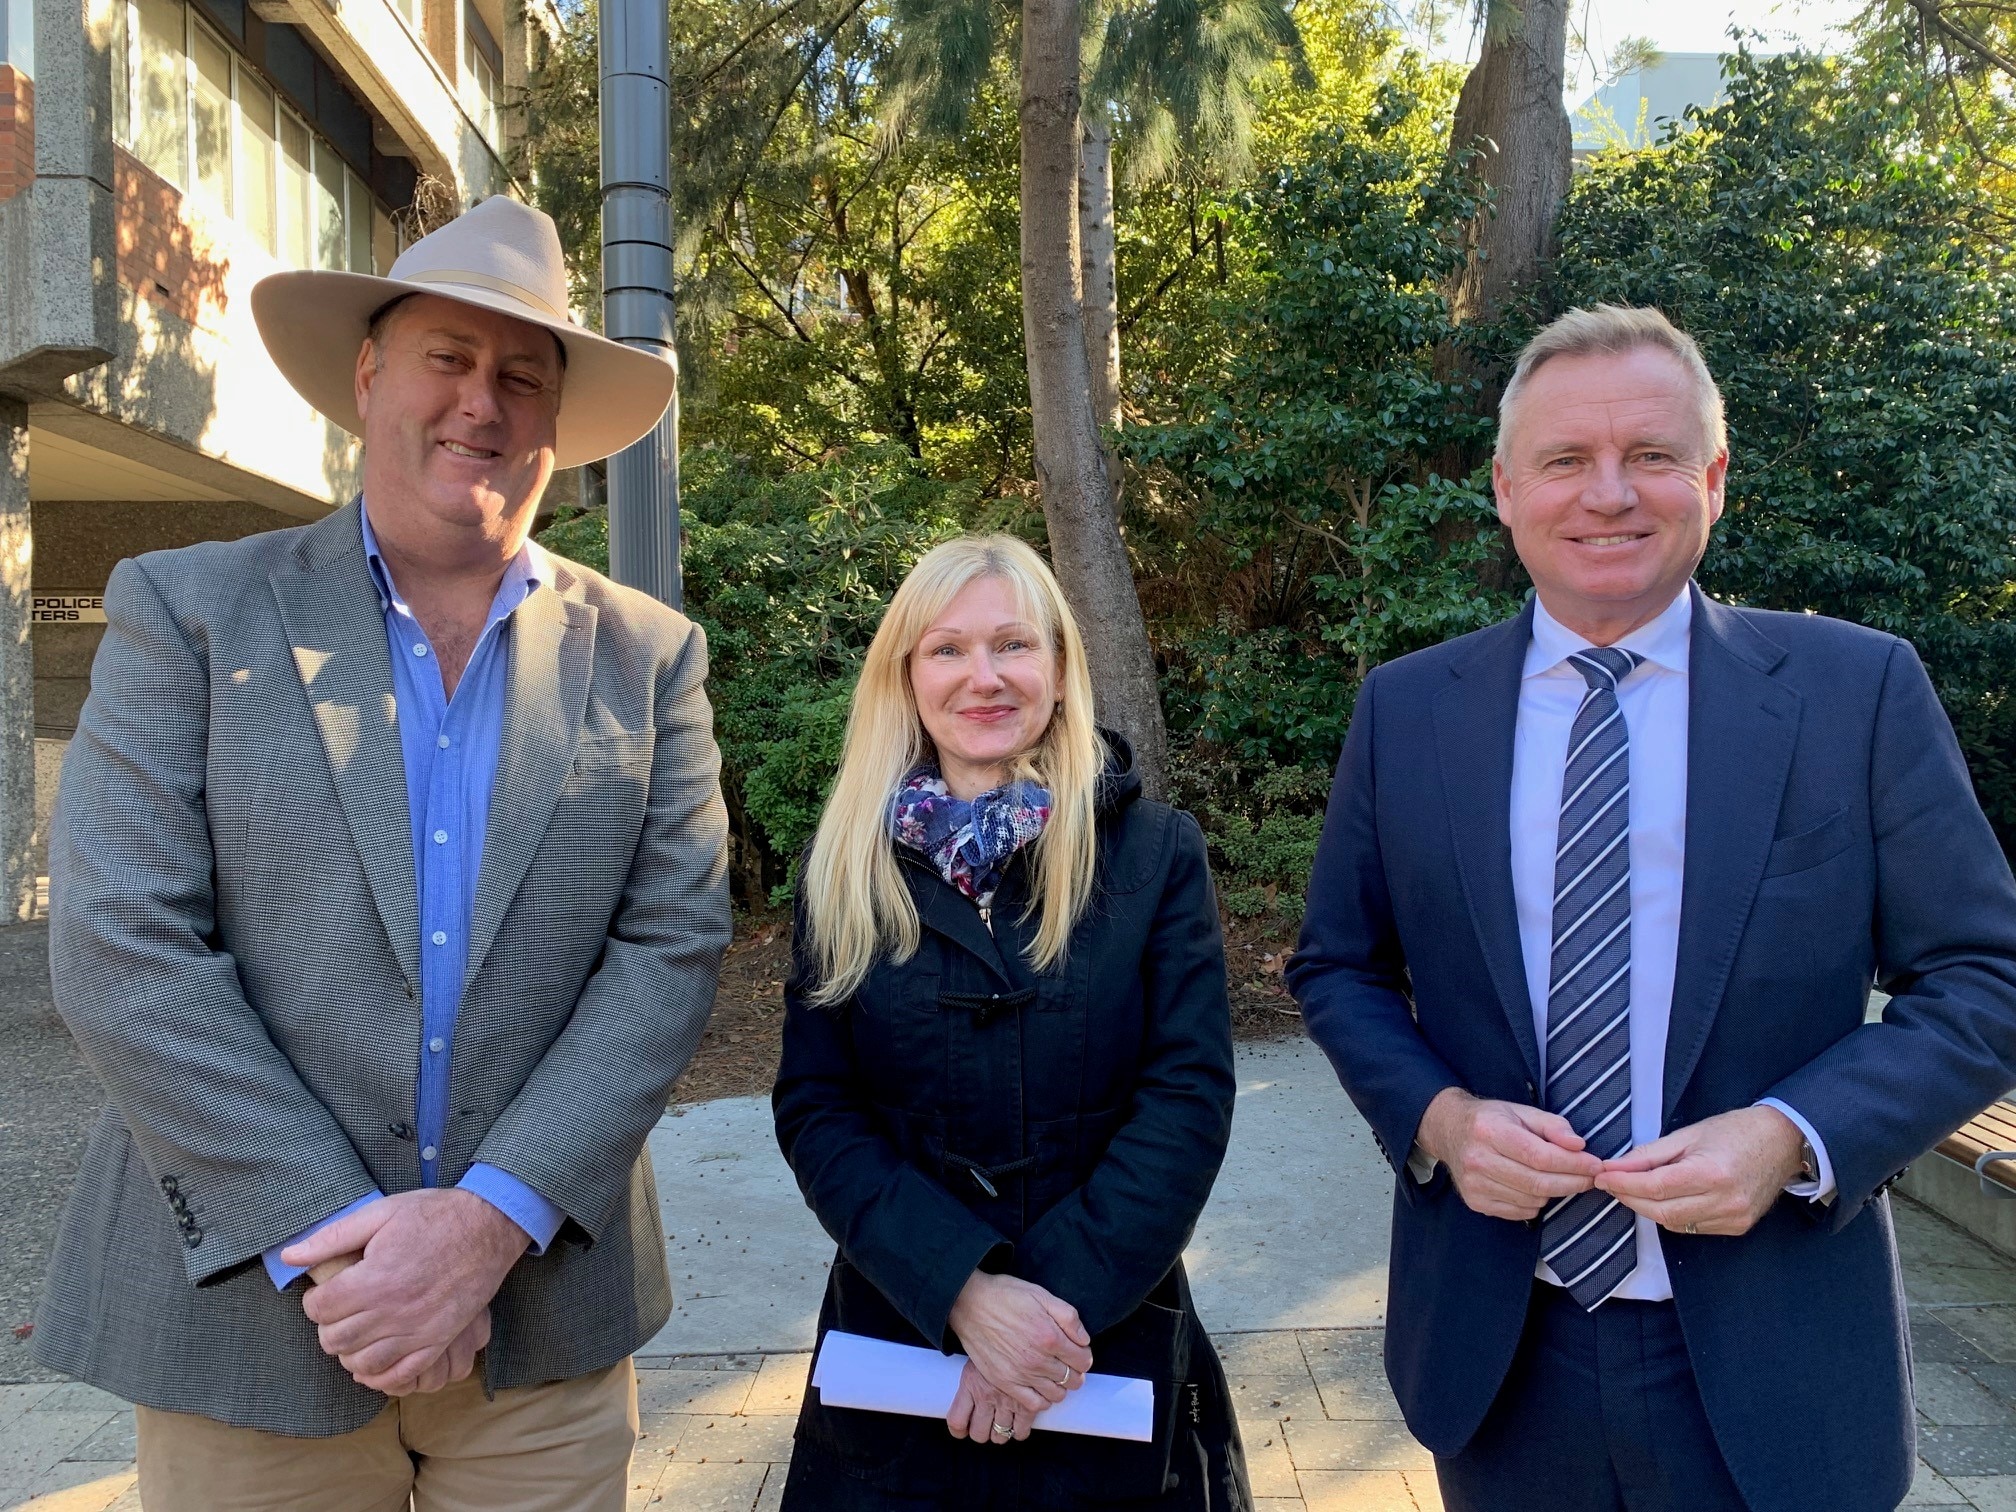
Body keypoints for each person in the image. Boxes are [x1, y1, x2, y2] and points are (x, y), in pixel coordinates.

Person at [31, 196, 732, 1511]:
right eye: (448, 360)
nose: (484, 402)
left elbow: (669, 951)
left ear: (557, 422)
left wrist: (482, 1226)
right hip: (250, 1325)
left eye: (522, 375)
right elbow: (122, 950)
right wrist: (341, 1243)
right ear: (368, 378)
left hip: (543, 1336)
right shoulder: (186, 609)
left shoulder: (650, 656)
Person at [1288, 304, 2016, 1512]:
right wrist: (1443, 1121)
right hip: (1500, 1345)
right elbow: (1337, 968)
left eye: (1653, 457)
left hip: (1777, 1346)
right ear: (1507, 490)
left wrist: (1792, 1134)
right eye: (1567, 461)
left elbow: (1987, 979)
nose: (1609, 494)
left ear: (1714, 479)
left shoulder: (1856, 691)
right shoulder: (1408, 713)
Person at [771, 535, 1250, 1510]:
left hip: (1103, 1345)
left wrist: (1041, 1318)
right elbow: (819, 1107)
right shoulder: (843, 865)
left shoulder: (1156, 855)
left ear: (1062, 670)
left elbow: (1187, 1098)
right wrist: (963, 1291)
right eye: (947, 649)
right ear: (905, 677)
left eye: (1013, 646)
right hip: (898, 1346)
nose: (982, 677)